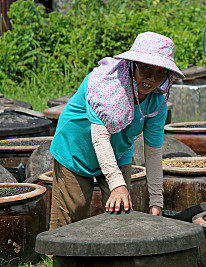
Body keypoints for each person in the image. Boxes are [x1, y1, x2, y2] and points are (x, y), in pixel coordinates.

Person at [49, 32, 184, 230]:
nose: (151, 79)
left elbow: (153, 151)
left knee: (121, 212)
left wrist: (156, 201)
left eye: (160, 73)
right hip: (77, 147)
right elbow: (100, 138)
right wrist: (116, 183)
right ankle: (59, 258)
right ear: (133, 65)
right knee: (75, 212)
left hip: (118, 148)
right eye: (146, 69)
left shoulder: (157, 101)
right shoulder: (107, 85)